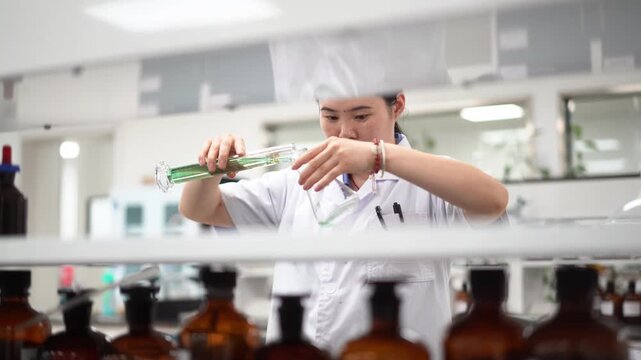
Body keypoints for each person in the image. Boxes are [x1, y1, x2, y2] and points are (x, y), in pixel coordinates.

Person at [179, 92, 509, 357]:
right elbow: (200, 208)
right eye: (330, 117)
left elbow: (493, 200)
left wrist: (380, 156)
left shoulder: (432, 181)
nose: (345, 132)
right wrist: (211, 167)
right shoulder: (295, 184)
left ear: (398, 106)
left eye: (361, 116)